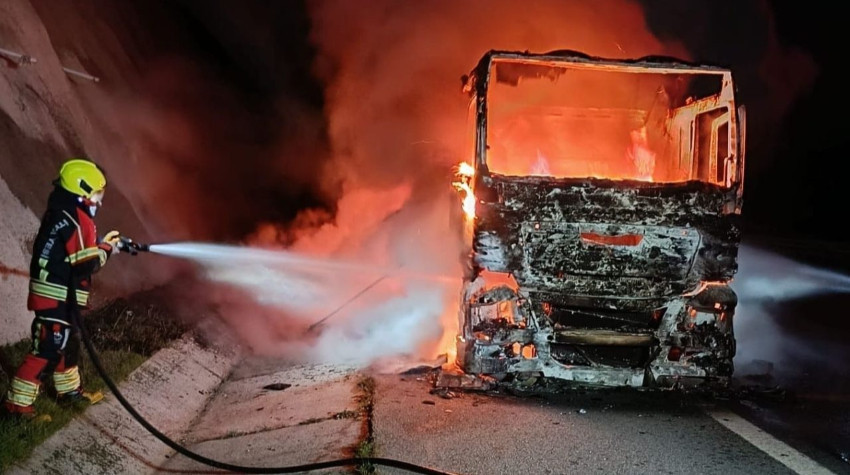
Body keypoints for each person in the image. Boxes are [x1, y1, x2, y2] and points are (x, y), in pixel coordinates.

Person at [3, 158, 122, 419]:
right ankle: (17, 407)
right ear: (82, 192)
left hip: (57, 295)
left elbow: (75, 251)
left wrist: (104, 244)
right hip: (56, 297)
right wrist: (107, 249)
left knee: (68, 344)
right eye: (96, 195)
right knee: (47, 348)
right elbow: (86, 264)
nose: (99, 201)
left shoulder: (64, 214)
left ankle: (68, 392)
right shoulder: (76, 220)